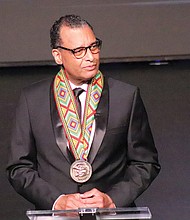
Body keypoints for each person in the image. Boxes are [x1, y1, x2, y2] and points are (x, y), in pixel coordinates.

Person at [7, 14, 160, 211]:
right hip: (56, 216)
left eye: (94, 46)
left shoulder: (126, 96)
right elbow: (18, 168)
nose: (90, 57)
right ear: (58, 55)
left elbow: (146, 162)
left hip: (110, 216)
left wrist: (113, 199)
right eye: (79, 51)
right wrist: (56, 200)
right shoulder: (32, 100)